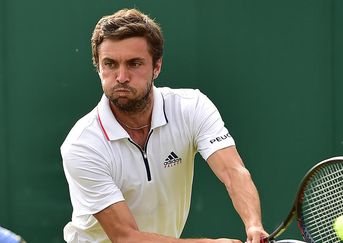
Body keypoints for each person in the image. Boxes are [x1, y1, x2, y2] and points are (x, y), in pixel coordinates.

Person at [61, 8, 267, 243]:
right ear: (98, 67)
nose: (121, 77)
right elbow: (126, 238)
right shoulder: (82, 144)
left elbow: (233, 172)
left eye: (134, 64)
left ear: (156, 67)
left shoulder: (191, 107)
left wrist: (253, 225)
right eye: (110, 64)